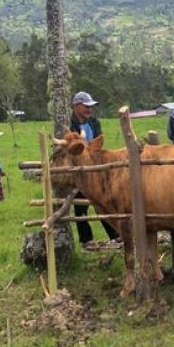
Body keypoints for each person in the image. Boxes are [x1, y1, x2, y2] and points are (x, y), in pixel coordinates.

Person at [70, 91, 120, 249]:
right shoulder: (69, 124)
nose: (89, 110)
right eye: (86, 107)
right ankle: (86, 239)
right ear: (77, 106)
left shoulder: (94, 122)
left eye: (90, 107)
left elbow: (99, 141)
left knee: (101, 200)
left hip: (95, 166)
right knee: (80, 203)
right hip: (78, 168)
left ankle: (115, 235)